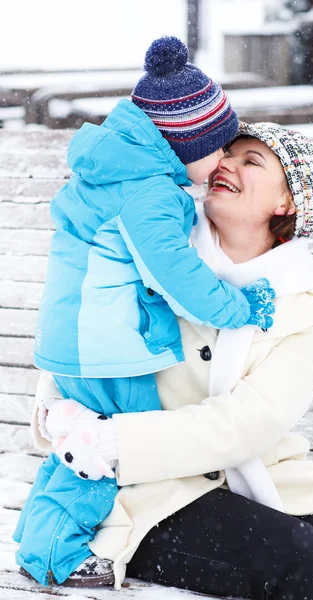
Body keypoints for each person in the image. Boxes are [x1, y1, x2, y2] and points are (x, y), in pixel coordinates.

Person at [28, 123, 313, 599]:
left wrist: (118, 439)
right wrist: (57, 411)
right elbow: (75, 327)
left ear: (286, 204)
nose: (225, 163)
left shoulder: (306, 299)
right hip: (149, 490)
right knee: (301, 561)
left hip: (255, 478)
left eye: (251, 161)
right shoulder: (155, 244)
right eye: (227, 153)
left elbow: (249, 422)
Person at [12, 37, 275, 587]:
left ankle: (39, 531)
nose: (222, 161)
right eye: (219, 148)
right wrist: (238, 307)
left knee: (79, 443)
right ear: (186, 143)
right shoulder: (149, 194)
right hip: (104, 347)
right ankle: (53, 552)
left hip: (82, 336)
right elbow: (176, 275)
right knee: (103, 449)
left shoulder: (121, 174)